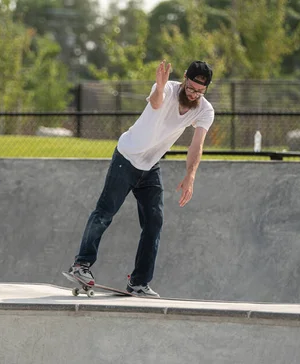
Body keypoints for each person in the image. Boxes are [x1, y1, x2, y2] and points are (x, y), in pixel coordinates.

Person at [65, 60, 215, 297]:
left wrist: (190, 175)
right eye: (190, 88)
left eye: (199, 91)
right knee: (105, 212)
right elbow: (156, 102)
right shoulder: (167, 89)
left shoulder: (205, 110)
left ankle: (139, 282)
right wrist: (158, 85)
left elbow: (197, 144)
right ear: (185, 78)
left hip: (150, 166)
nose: (193, 94)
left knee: (154, 222)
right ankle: (81, 264)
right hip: (126, 157)